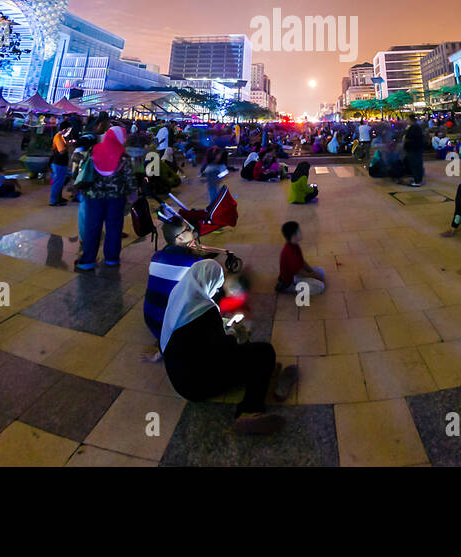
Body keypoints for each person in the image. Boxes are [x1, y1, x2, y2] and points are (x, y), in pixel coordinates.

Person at [160, 259, 284, 435]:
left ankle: (261, 373)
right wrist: (235, 335)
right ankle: (249, 410)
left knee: (250, 354)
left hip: (178, 378)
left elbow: (188, 333)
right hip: (196, 385)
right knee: (265, 352)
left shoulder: (178, 295)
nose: (216, 291)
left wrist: (221, 326)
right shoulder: (206, 310)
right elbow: (223, 352)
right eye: (216, 285)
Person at [74, 125, 137, 271]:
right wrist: (132, 194)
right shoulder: (123, 156)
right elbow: (130, 179)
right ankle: (112, 259)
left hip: (93, 197)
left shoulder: (94, 149)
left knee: (92, 228)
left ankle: (87, 261)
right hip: (116, 198)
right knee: (114, 229)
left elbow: (83, 167)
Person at [276, 220, 325, 293]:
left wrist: (312, 272)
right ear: (294, 236)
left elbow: (302, 262)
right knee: (320, 287)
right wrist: (313, 276)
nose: (301, 233)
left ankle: (304, 281)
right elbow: (300, 272)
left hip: (297, 273)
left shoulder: (294, 245)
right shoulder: (289, 252)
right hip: (291, 279)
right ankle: (291, 288)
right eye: (299, 231)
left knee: (321, 272)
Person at [48, 117, 78, 207]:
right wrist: (69, 145)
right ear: (64, 129)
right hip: (59, 163)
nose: (69, 132)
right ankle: (53, 201)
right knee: (58, 182)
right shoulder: (59, 137)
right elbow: (62, 151)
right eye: (69, 130)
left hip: (61, 163)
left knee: (60, 182)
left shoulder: (61, 137)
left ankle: (58, 198)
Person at [402, 115, 425, 187]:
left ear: (411, 120)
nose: (406, 121)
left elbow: (409, 138)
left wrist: (405, 140)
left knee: (415, 165)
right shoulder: (414, 127)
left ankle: (418, 181)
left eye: (407, 119)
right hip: (414, 149)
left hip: (414, 149)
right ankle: (417, 179)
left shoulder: (414, 127)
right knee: (415, 164)